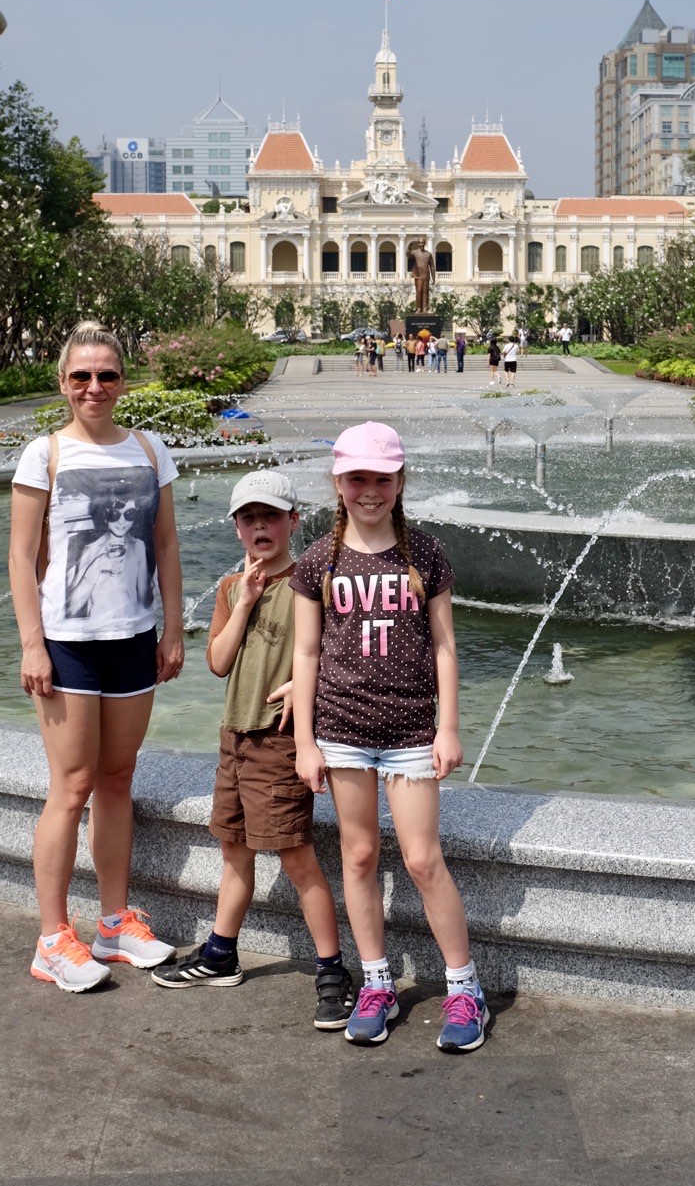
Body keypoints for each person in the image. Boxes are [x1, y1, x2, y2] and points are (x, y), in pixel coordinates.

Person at [291, 423, 488, 1053]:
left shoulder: (424, 554)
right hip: (342, 730)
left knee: (423, 860)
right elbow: (305, 653)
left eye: (381, 478)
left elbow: (445, 647)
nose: (369, 491)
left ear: (400, 482)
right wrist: (304, 742)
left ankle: (464, 987)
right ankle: (374, 981)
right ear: (339, 483)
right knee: (358, 856)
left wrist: (448, 727)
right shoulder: (318, 559)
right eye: (357, 479)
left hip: (409, 731)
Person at [9, 320, 183, 993]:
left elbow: (166, 546)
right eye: (81, 376)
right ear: (63, 383)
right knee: (71, 785)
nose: (94, 387)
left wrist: (172, 629)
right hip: (68, 645)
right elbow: (22, 559)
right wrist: (33, 644)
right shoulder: (45, 454)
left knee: (117, 780)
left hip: (134, 638)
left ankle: (113, 922)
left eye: (106, 375)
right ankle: (53, 937)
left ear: (123, 381)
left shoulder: (149, 448)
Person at [151, 470, 354, 1029]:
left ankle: (333, 969)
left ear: (293, 521)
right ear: (237, 527)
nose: (259, 526)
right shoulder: (228, 587)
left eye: (271, 516)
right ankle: (221, 953)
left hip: (281, 740)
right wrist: (243, 602)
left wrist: (303, 685)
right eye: (248, 518)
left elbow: (342, 650)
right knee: (234, 849)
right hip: (235, 736)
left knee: (294, 856)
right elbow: (217, 662)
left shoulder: (315, 582)